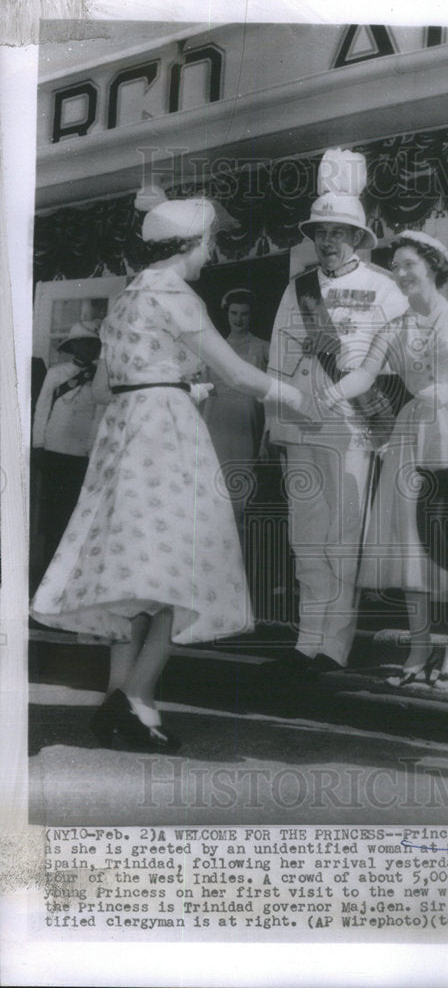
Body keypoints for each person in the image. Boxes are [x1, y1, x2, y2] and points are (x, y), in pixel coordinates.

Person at [31, 197, 309, 752]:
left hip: (124, 433)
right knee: (180, 564)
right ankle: (133, 698)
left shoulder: (126, 298)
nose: (210, 253)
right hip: (165, 436)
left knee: (138, 570)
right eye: (208, 243)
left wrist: (181, 385)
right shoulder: (177, 295)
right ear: (192, 244)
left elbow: (110, 388)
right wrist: (296, 394)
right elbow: (235, 371)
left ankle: (124, 701)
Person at [320, 231, 448, 688]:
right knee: (413, 546)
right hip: (413, 437)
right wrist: (331, 393)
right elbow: (362, 372)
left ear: (434, 265)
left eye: (407, 265)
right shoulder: (394, 328)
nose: (399, 274)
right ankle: (419, 647)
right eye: (394, 266)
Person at [265, 148, 407, 677]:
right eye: (320, 232)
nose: (326, 241)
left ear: (357, 238)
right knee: (306, 539)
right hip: (301, 427)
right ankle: (307, 642)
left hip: (352, 429)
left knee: (343, 540)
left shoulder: (384, 289)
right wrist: (274, 429)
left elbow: (402, 364)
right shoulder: (296, 289)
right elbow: (278, 363)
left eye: (337, 233)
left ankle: (334, 648)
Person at [31, 320, 104, 577]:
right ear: (73, 346)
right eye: (85, 343)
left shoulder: (99, 378)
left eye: (95, 344)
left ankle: (69, 569)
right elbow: (42, 410)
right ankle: (47, 567)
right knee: (52, 511)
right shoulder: (56, 373)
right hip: (54, 447)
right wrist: (38, 444)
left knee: (76, 510)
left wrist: (93, 449)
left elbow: (99, 415)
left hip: (82, 452)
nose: (91, 348)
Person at [203, 288, 269, 543]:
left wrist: (266, 436)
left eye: (244, 314)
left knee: (241, 497)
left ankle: (239, 563)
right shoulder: (214, 348)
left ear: (251, 316)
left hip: (246, 429)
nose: (238, 319)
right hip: (215, 427)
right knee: (212, 496)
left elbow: (271, 396)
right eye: (233, 313)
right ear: (226, 313)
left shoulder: (263, 348)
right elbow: (205, 393)